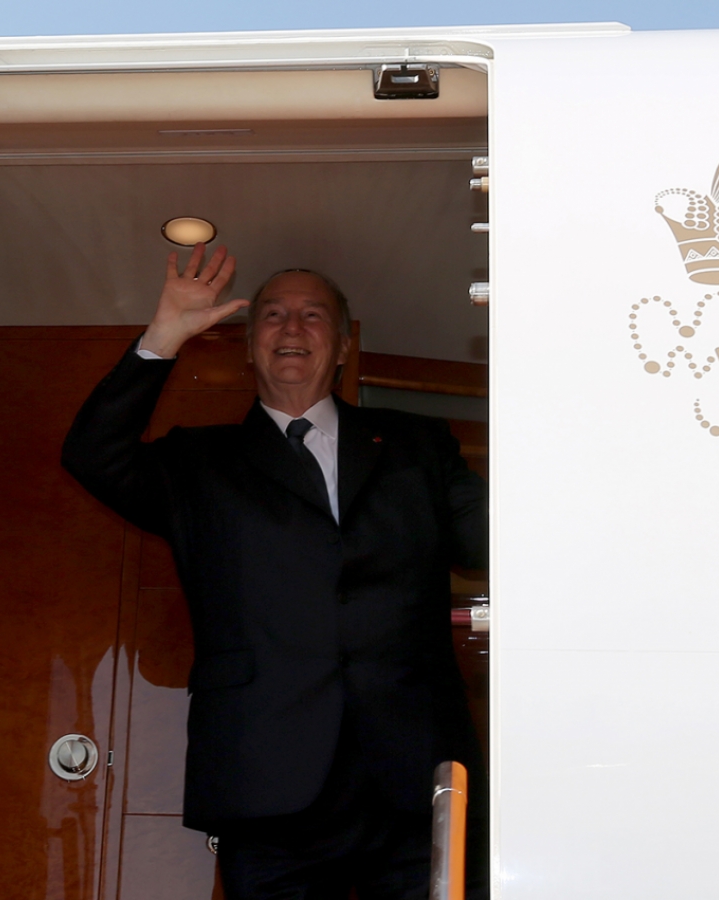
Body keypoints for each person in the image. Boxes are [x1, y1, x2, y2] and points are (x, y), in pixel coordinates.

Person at [62, 244, 487, 900]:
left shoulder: (416, 446)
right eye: (273, 316)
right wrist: (164, 336)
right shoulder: (198, 463)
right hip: (265, 780)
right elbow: (92, 455)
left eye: (314, 316)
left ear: (343, 346)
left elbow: (496, 540)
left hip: (414, 783)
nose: (292, 329)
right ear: (248, 344)